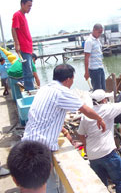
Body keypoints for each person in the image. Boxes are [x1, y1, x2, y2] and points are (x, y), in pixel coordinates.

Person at [22, 64, 106, 193]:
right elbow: (85, 109)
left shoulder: (44, 88)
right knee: (48, 185)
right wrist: (99, 119)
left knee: (34, 184)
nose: (72, 83)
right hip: (41, 148)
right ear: (68, 79)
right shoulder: (62, 91)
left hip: (27, 141)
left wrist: (64, 130)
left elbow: (46, 115)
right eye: (72, 80)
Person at [77, 87, 121, 193]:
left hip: (92, 156)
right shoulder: (108, 109)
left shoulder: (87, 114)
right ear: (104, 100)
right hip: (107, 153)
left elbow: (80, 134)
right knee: (120, 181)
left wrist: (85, 147)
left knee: (101, 184)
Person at [11, 0, 34, 91]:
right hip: (24, 47)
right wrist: (17, 43)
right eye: (28, 6)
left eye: (31, 6)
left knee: (29, 70)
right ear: (22, 4)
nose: (30, 8)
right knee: (27, 71)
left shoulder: (23, 16)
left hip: (28, 47)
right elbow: (13, 29)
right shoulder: (17, 15)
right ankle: (30, 90)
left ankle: (30, 88)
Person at [84, 23, 106, 91]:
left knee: (103, 89)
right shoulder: (89, 41)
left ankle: (103, 101)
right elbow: (86, 58)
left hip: (100, 67)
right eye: (99, 32)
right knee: (97, 91)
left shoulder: (97, 40)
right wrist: (86, 72)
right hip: (94, 70)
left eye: (101, 33)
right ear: (94, 30)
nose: (99, 34)